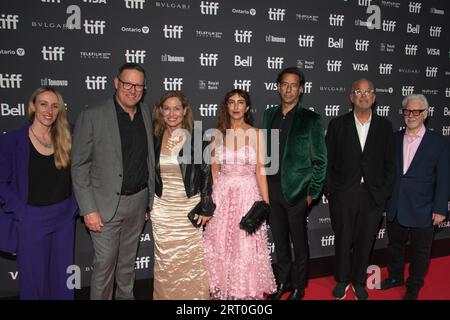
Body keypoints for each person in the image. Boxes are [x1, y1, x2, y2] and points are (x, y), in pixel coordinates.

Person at [71, 63, 155, 300]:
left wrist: (148, 202)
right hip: (105, 206)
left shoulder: (146, 113)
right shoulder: (93, 115)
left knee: (127, 266)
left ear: (143, 89)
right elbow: (79, 166)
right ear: (116, 83)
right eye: (128, 83)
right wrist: (88, 209)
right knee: (104, 267)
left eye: (138, 85)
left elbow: (147, 160)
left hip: (138, 203)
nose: (133, 89)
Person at [0, 86, 78, 299]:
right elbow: (1, 182)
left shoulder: (70, 135)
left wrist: (75, 208)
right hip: (32, 219)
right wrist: (21, 212)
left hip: (63, 218)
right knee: (34, 281)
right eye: (43, 104)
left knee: (63, 279)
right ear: (32, 106)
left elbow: (86, 169)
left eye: (54, 106)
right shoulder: (12, 141)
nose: (49, 111)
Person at [325, 78, 396, 300]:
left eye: (368, 92)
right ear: (351, 96)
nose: (363, 95)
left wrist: (383, 194)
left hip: (373, 196)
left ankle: (358, 281)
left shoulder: (385, 126)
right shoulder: (337, 125)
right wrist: (332, 193)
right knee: (343, 239)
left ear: (374, 97)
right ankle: (343, 280)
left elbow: (390, 165)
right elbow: (327, 161)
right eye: (358, 91)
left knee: (366, 241)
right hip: (344, 195)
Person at [203, 89, 276, 300]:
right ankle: (219, 287)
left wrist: (266, 205)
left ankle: (243, 291)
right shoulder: (217, 135)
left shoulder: (256, 134)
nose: (236, 106)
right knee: (220, 242)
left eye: (240, 102)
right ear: (226, 106)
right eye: (232, 102)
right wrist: (213, 201)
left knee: (244, 243)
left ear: (247, 107)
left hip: (247, 195)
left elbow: (261, 172)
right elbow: (214, 170)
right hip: (223, 195)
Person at [376, 94, 449, 300]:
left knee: (420, 252)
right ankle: (395, 277)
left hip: (424, 207)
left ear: (425, 114)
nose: (411, 115)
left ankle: (414, 285)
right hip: (396, 205)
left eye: (416, 111)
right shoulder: (394, 138)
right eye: (407, 111)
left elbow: (444, 179)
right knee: (395, 247)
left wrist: (440, 208)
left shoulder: (439, 143)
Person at [263, 67, 327, 300]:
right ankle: (283, 283)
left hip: (298, 193)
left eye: (294, 85)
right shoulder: (269, 115)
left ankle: (299, 287)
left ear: (301, 89)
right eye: (284, 84)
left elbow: (320, 161)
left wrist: (312, 194)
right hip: (272, 191)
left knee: (299, 243)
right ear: (278, 86)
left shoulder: (312, 119)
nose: (289, 89)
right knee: (279, 242)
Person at [151, 91, 214, 300]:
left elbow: (206, 172)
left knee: (191, 262)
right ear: (160, 111)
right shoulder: (154, 138)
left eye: (177, 108)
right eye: (167, 108)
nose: (172, 113)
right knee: (165, 262)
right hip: (162, 209)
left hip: (189, 208)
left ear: (185, 111)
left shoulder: (196, 137)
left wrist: (206, 206)